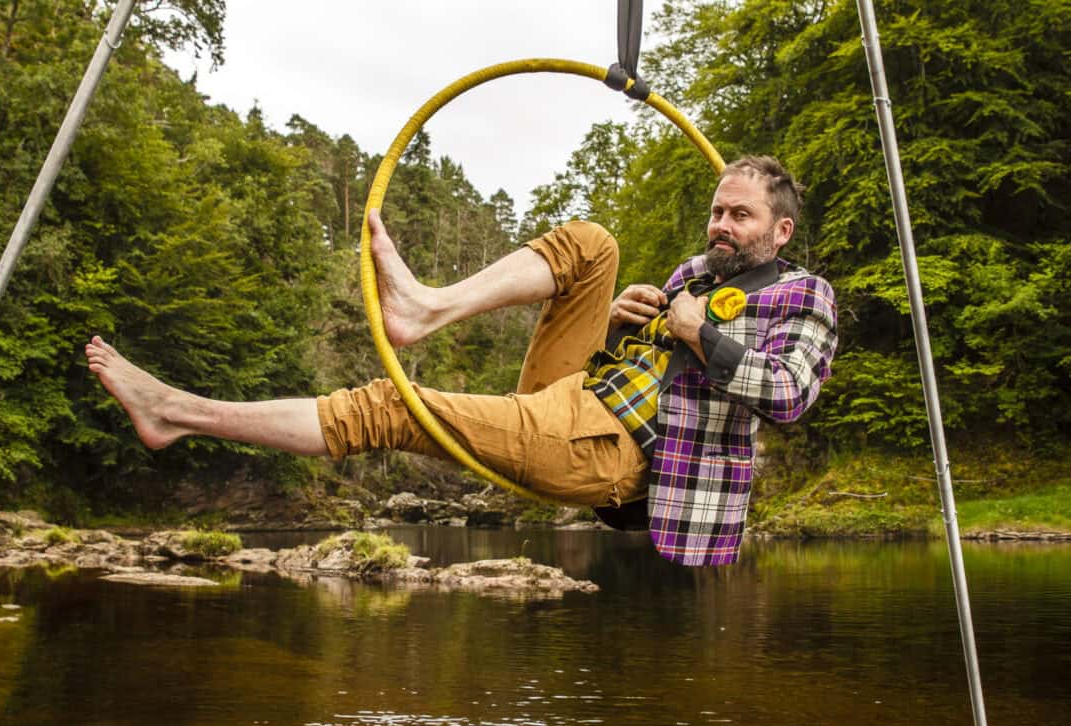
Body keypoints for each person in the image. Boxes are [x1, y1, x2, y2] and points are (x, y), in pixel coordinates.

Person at [85, 155, 837, 566]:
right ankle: (426, 305)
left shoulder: (806, 295)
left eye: (739, 215)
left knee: (390, 405)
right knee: (594, 246)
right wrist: (616, 324)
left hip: (613, 449)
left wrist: (701, 332)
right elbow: (644, 369)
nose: (721, 225)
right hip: (580, 393)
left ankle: (175, 412)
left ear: (780, 228)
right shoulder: (692, 275)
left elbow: (790, 393)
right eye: (717, 209)